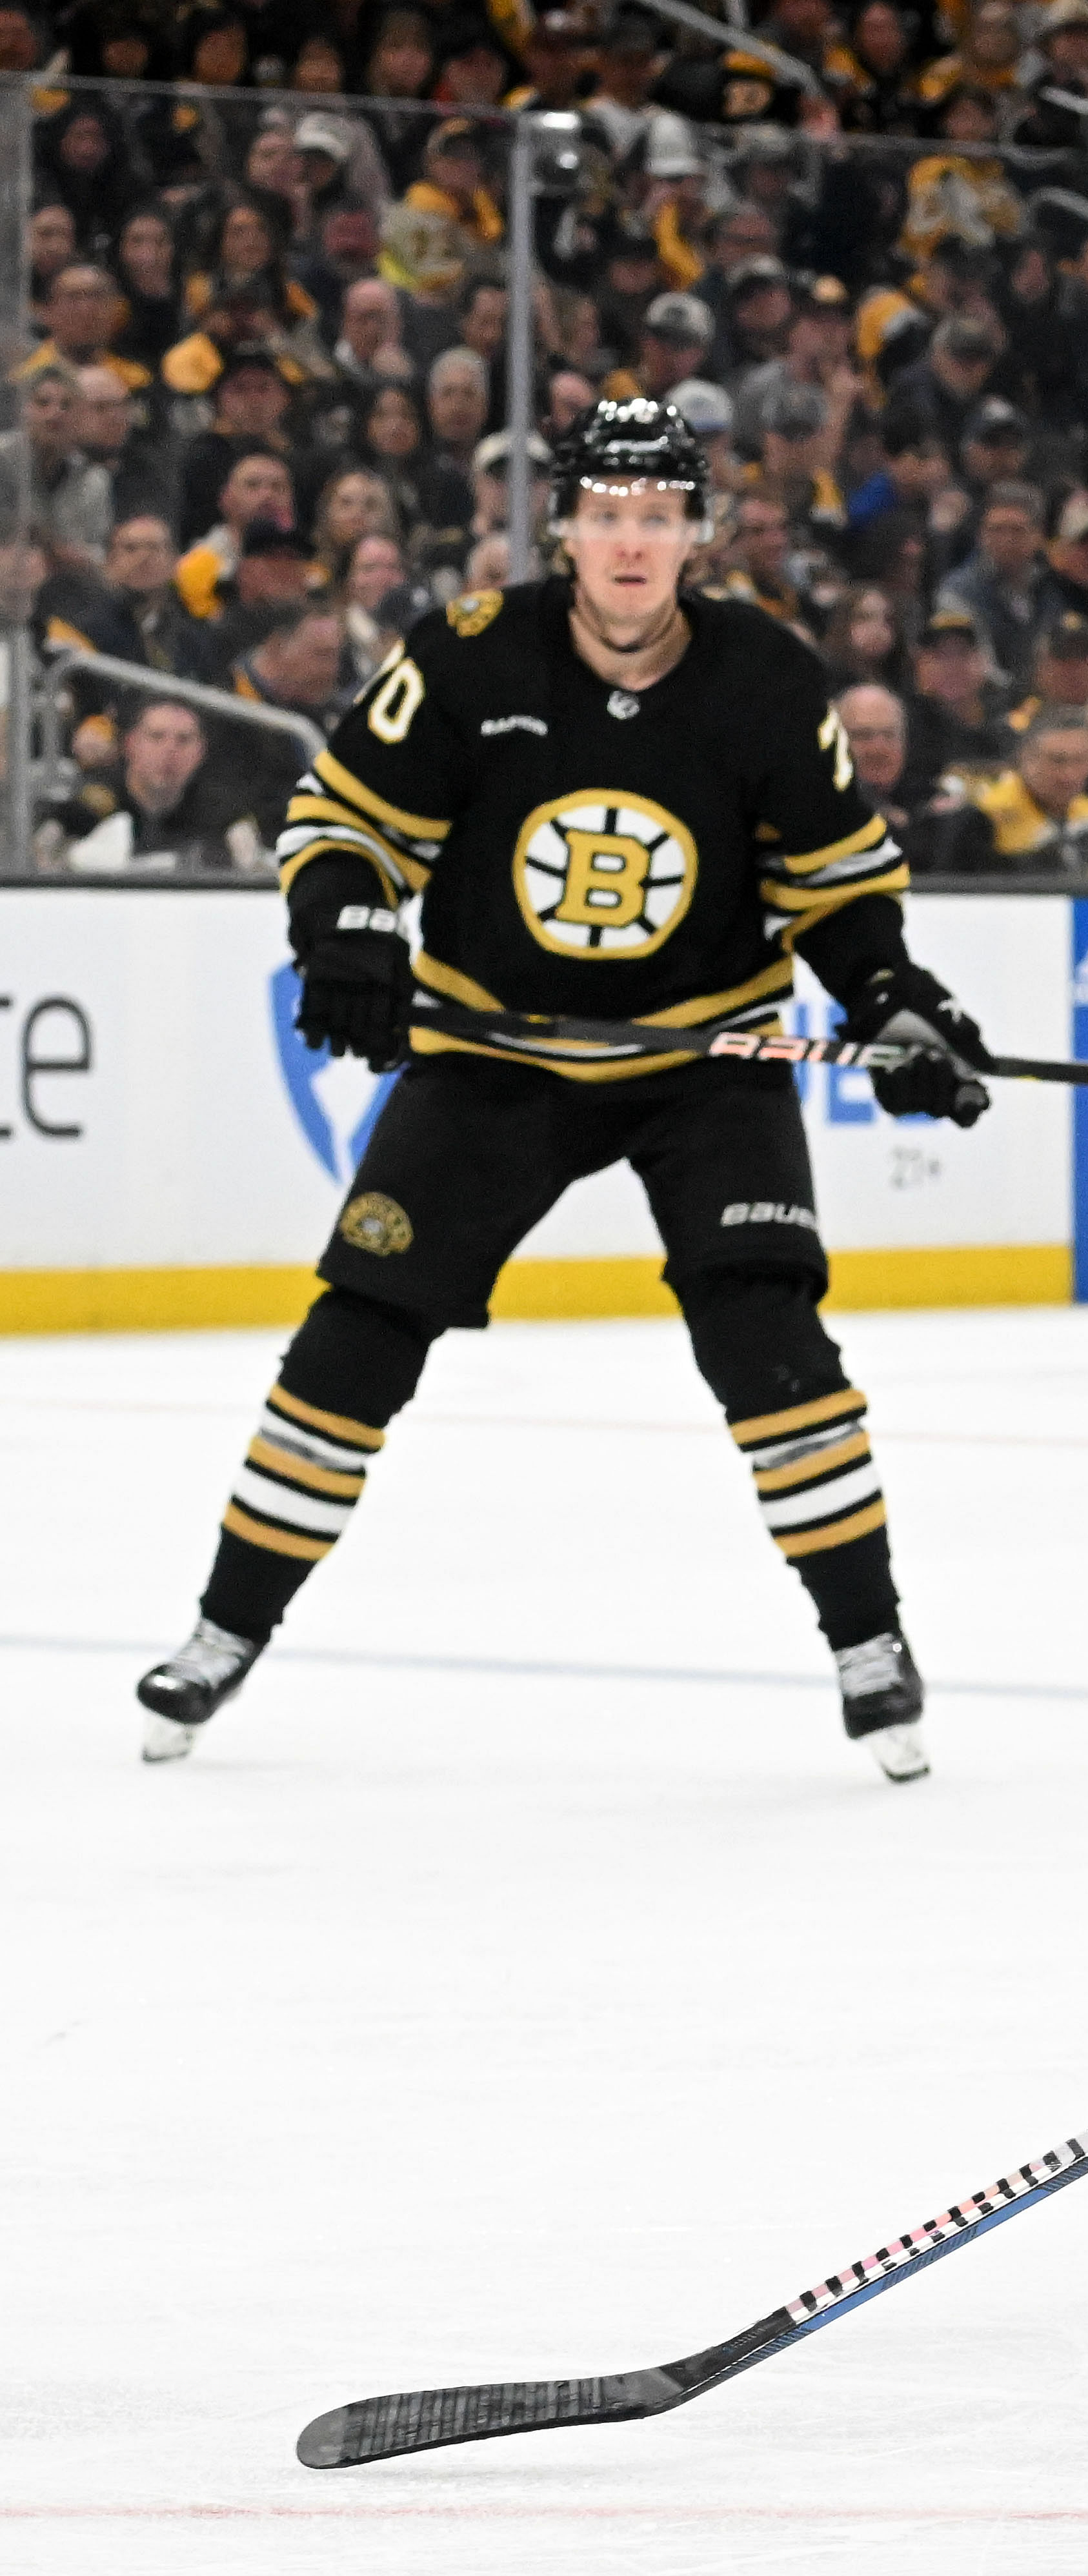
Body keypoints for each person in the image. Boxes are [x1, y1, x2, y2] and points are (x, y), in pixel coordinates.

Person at [133, 399, 991, 1783]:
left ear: (695, 534)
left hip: (704, 1059)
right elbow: (340, 824)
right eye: (607, 514)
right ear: (566, 530)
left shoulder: (764, 676)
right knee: (358, 1332)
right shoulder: (472, 654)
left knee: (762, 1331)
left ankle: (868, 1640)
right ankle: (222, 1629)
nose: (632, 541)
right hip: (493, 1054)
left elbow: (833, 892)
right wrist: (347, 929)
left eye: (659, 516)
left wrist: (892, 997)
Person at [67, 698, 268, 873]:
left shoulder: (225, 813)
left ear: (201, 751)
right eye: (156, 737)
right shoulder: (89, 804)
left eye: (184, 740)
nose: (170, 750)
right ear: (130, 744)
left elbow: (252, 870)